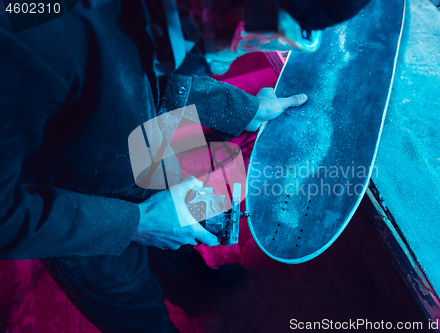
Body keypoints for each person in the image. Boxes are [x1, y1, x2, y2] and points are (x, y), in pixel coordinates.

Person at [0, 0, 370, 331]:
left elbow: (165, 76)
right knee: (135, 307)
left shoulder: (187, 13)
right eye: (255, 32)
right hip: (81, 204)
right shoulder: (31, 35)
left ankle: (196, 291)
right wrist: (136, 222)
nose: (246, 48)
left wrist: (248, 109)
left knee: (182, 243)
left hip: (150, 133)